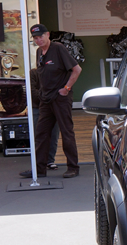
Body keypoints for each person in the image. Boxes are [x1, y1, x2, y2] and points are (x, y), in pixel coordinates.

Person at [20, 24, 82, 179]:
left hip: (60, 98)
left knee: (66, 131)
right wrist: (41, 93)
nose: (38, 40)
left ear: (47, 35)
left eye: (41, 36)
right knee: (41, 133)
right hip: (46, 99)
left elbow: (77, 69)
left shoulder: (58, 48)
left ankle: (73, 167)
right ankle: (39, 169)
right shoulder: (39, 52)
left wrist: (66, 88)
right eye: (35, 38)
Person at [30, 68, 60, 171]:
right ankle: (39, 162)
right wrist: (48, 96)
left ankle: (50, 160)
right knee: (39, 135)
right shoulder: (33, 73)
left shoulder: (54, 72)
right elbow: (32, 91)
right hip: (39, 106)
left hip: (52, 106)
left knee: (54, 134)